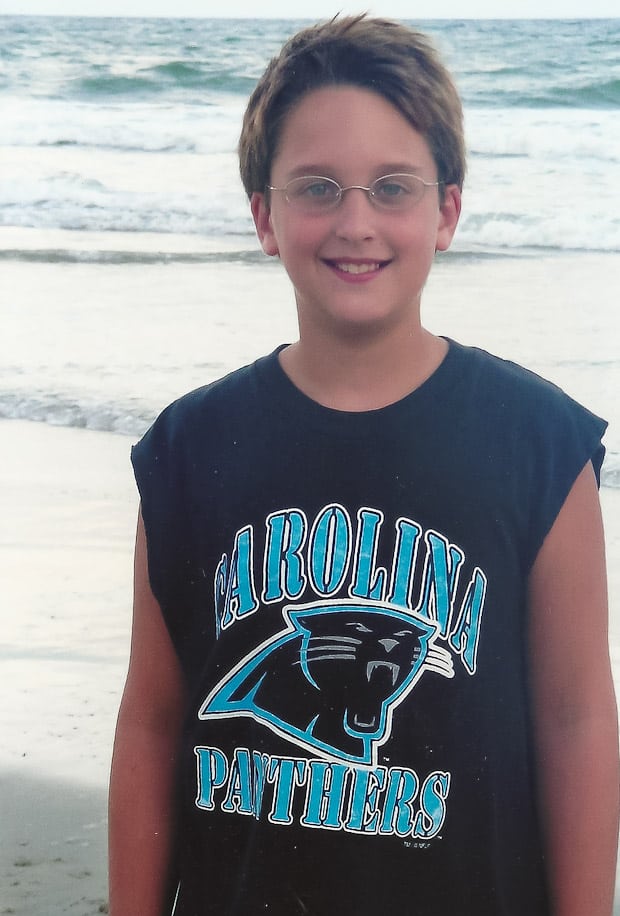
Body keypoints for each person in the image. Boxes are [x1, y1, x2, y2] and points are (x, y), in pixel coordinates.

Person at [108, 15, 619, 916]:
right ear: (265, 217)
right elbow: (152, 722)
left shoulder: (537, 444)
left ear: (446, 212)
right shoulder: (188, 451)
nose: (356, 222)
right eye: (317, 187)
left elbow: (578, 719)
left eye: (392, 187)